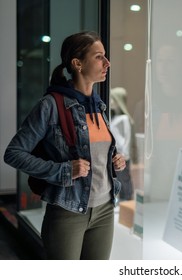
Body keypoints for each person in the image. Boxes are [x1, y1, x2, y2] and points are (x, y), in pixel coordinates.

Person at [3, 31, 126, 260]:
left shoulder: (99, 106)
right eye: (99, 56)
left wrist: (114, 160)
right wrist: (64, 170)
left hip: (105, 209)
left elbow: (94, 150)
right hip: (67, 211)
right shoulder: (50, 105)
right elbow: (13, 154)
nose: (107, 63)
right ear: (77, 63)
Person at [110, 87, 137, 200]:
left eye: (113, 99)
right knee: (118, 178)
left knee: (124, 178)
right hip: (116, 154)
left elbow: (127, 136)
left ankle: (127, 198)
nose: (111, 101)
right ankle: (122, 199)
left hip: (122, 155)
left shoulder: (124, 118)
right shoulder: (114, 117)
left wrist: (125, 153)